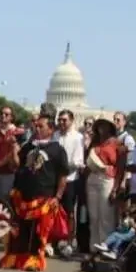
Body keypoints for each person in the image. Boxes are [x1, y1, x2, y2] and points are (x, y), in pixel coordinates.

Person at [0, 113, 69, 272]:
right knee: (19, 230)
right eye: (36, 126)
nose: (36, 128)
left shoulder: (57, 150)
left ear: (51, 129)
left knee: (38, 232)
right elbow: (16, 165)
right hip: (23, 195)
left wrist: (57, 197)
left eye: (41, 126)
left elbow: (63, 176)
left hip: (44, 197)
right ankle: (14, 258)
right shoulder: (28, 146)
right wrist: (14, 149)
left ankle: (34, 260)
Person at [84, 118, 125, 254]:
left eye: (104, 126)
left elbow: (121, 167)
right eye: (99, 126)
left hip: (108, 178)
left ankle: (106, 246)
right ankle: (94, 247)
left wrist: (116, 188)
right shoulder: (95, 143)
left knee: (106, 215)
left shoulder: (118, 144)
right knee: (94, 215)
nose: (101, 128)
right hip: (93, 177)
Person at [55, 110, 85, 257]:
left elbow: (77, 161)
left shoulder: (78, 137)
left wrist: (62, 167)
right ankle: (55, 240)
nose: (61, 123)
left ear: (72, 121)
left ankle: (69, 241)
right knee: (54, 211)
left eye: (64, 120)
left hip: (70, 179)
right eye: (60, 120)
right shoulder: (55, 136)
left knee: (69, 213)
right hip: (55, 180)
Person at [0, 106, 20, 200]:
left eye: (6, 114)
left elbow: (14, 152)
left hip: (8, 172)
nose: (3, 116)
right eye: (1, 113)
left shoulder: (17, 132)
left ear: (11, 117)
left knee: (5, 201)